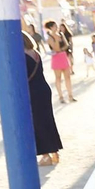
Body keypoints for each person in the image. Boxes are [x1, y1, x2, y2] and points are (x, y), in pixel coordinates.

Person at [21, 32, 63, 165]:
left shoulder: (21, 56)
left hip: (32, 91)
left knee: (37, 123)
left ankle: (45, 155)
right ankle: (55, 151)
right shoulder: (36, 53)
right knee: (48, 120)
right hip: (44, 89)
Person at [45, 20, 75, 103]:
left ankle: (70, 95)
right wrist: (57, 40)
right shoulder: (50, 38)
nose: (57, 27)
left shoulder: (61, 34)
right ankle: (61, 96)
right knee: (58, 78)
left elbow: (66, 45)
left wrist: (62, 48)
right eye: (55, 26)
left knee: (67, 77)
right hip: (56, 58)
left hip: (63, 56)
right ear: (51, 27)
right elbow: (55, 48)